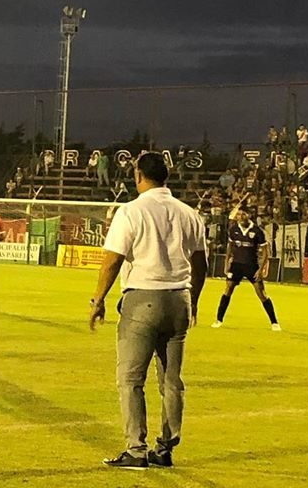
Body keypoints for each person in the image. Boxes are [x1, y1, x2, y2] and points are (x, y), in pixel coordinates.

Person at [89, 152, 207, 470]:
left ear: (139, 175)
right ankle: (166, 448)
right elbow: (201, 266)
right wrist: (192, 301)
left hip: (143, 297)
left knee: (130, 378)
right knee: (171, 380)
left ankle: (136, 450)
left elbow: (113, 259)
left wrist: (98, 300)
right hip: (179, 299)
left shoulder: (131, 211)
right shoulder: (189, 213)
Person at [211, 206, 280, 331]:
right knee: (228, 289)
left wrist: (261, 268)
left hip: (251, 266)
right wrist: (227, 263)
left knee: (261, 293)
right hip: (236, 265)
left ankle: (274, 322)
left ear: (249, 215)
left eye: (243, 214)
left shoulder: (257, 231)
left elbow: (265, 251)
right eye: (239, 214)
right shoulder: (234, 229)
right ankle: (218, 319)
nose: (240, 217)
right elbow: (230, 247)